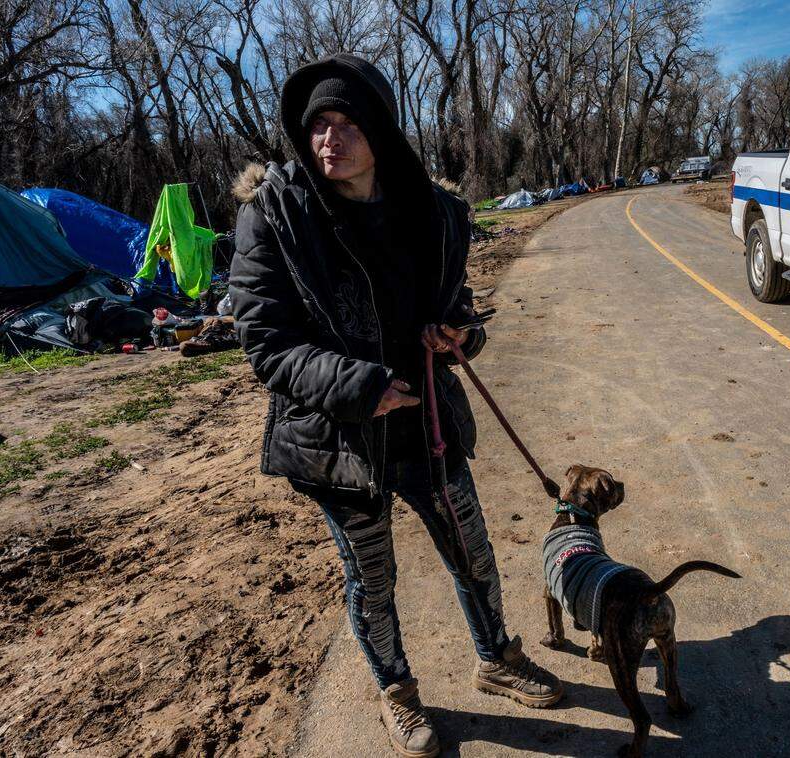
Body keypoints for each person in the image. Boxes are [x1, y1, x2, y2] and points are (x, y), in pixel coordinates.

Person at [228, 54, 562, 758]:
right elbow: (265, 343)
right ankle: (398, 693)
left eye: (346, 123)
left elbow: (457, 305)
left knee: (473, 552)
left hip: (427, 425)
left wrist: (463, 333)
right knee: (372, 578)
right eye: (318, 124)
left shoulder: (429, 211)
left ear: (381, 131)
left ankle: (496, 657)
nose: (329, 138)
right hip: (339, 443)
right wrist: (357, 386)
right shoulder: (274, 216)